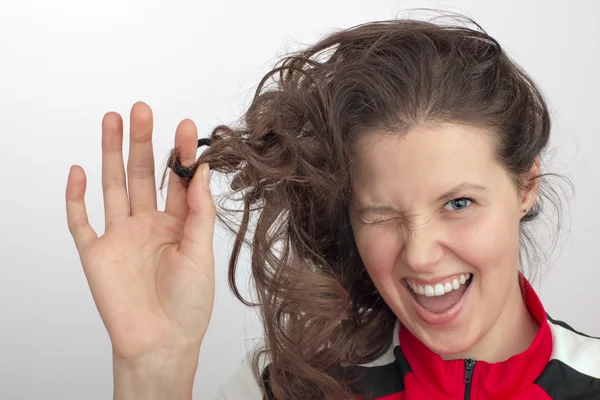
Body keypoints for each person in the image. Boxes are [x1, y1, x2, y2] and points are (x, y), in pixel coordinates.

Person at [64, 13, 600, 400]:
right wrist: (157, 368)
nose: (420, 255)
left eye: (458, 203)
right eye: (381, 213)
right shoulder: (287, 389)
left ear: (525, 185)